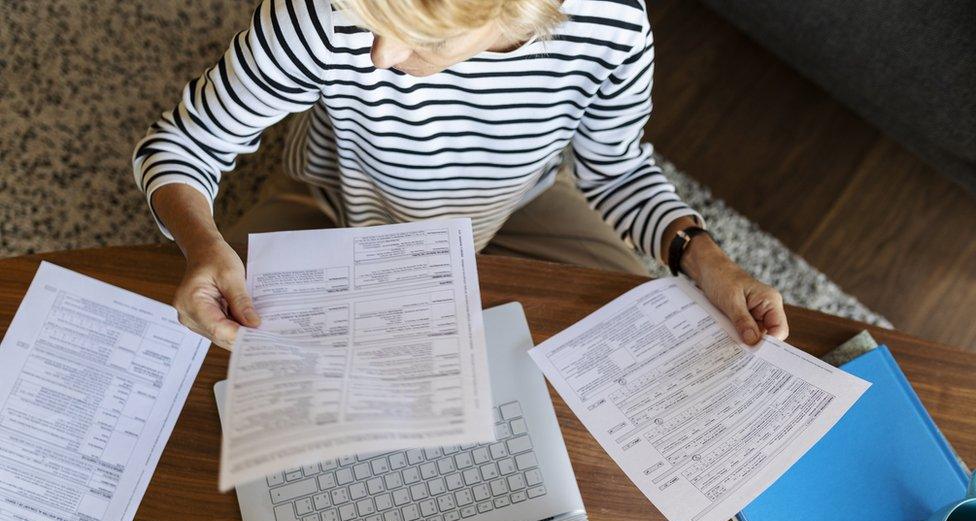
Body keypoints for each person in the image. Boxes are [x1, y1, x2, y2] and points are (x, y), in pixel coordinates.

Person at [133, 0, 788, 350]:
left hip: (523, 206)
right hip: (335, 204)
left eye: (420, 37)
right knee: (208, 351)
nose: (382, 55)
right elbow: (183, 143)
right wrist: (202, 243)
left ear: (518, 12)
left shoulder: (610, 24)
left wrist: (705, 259)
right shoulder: (319, 14)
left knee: (632, 336)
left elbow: (614, 169)